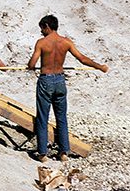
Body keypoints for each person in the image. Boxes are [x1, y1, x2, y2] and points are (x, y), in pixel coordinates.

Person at [27, 14, 108, 162]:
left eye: (42, 29)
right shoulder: (66, 42)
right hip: (60, 80)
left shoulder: (41, 43)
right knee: (61, 117)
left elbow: (32, 64)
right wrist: (100, 67)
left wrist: (30, 66)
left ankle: (43, 154)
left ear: (47, 26)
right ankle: (64, 153)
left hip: (46, 80)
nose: (41, 32)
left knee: (43, 117)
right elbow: (83, 59)